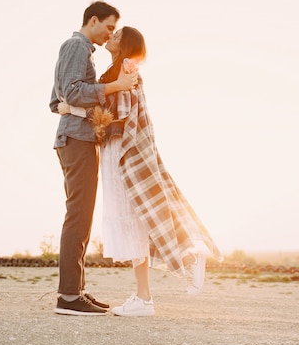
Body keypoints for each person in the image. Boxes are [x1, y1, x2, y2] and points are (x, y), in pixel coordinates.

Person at [58, 26, 222, 317]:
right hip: (116, 152)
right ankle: (146, 295)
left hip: (124, 152)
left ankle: (167, 279)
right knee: (137, 218)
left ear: (127, 45)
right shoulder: (115, 69)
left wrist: (75, 111)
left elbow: (123, 117)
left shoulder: (127, 68)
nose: (112, 37)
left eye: (118, 34)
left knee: (135, 218)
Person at [49, 1, 138, 316]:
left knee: (82, 217)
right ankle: (69, 296)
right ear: (94, 20)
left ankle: (76, 291)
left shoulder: (79, 50)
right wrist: (115, 86)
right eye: (110, 27)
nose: (110, 34)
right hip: (76, 140)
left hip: (78, 139)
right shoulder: (76, 46)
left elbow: (58, 100)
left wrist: (76, 107)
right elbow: (71, 92)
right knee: (78, 217)